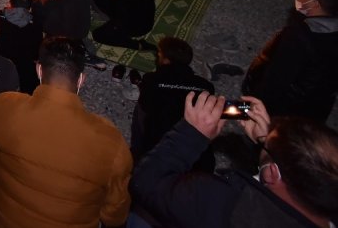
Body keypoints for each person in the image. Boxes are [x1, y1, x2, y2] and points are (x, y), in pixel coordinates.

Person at [0, 37, 133, 228]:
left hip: (1, 219)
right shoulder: (112, 142)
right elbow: (114, 217)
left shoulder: (2, 105)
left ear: (39, 70)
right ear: (81, 80)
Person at [130, 92, 338, 228]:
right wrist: (266, 141)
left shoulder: (224, 203)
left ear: (271, 173)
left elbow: (145, 181)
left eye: (267, 143)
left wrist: (192, 133)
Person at [242, 0, 338, 121]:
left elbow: (276, 79)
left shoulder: (299, 36)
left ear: (315, 4)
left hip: (283, 112)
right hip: (315, 111)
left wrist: (257, 104)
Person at [130, 36, 215, 169]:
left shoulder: (152, 80)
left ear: (166, 59)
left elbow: (145, 109)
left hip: (157, 155)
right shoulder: (206, 86)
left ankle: (135, 155)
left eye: (159, 54)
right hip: (199, 159)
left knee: (141, 108)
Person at [0, 0, 42, 94]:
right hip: (24, 74)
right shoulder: (36, 26)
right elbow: (36, 54)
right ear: (29, 8)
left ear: (10, 4)